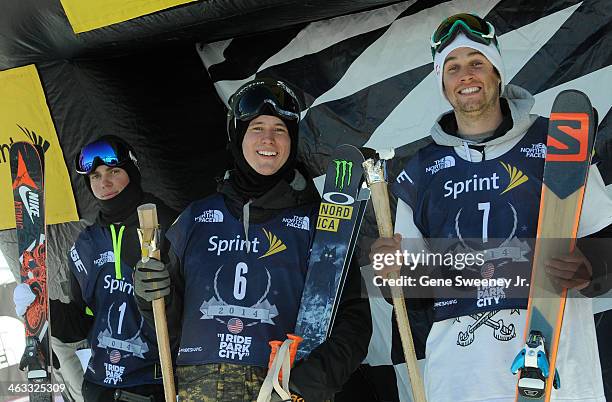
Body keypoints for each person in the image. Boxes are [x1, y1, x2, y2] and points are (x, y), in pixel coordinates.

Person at [370, 13, 612, 402]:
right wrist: (388, 273)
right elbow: (412, 292)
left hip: (555, 366)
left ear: (497, 72)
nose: (465, 76)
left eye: (476, 63)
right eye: (453, 68)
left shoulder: (558, 142)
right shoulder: (421, 171)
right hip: (461, 377)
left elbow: (606, 236)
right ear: (442, 82)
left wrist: (592, 265)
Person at [134, 78, 371, 402]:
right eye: (257, 127)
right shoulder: (193, 219)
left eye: (280, 129)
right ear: (238, 135)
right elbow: (165, 325)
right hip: (197, 388)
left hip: (281, 390)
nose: (269, 139)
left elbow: (355, 323)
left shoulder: (322, 225)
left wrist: (303, 385)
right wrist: (150, 295)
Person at [14, 135, 178, 401]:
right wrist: (43, 309)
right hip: (100, 386)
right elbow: (81, 323)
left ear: (132, 172)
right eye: (95, 177)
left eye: (114, 171)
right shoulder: (85, 243)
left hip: (156, 386)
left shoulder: (169, 226)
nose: (105, 183)